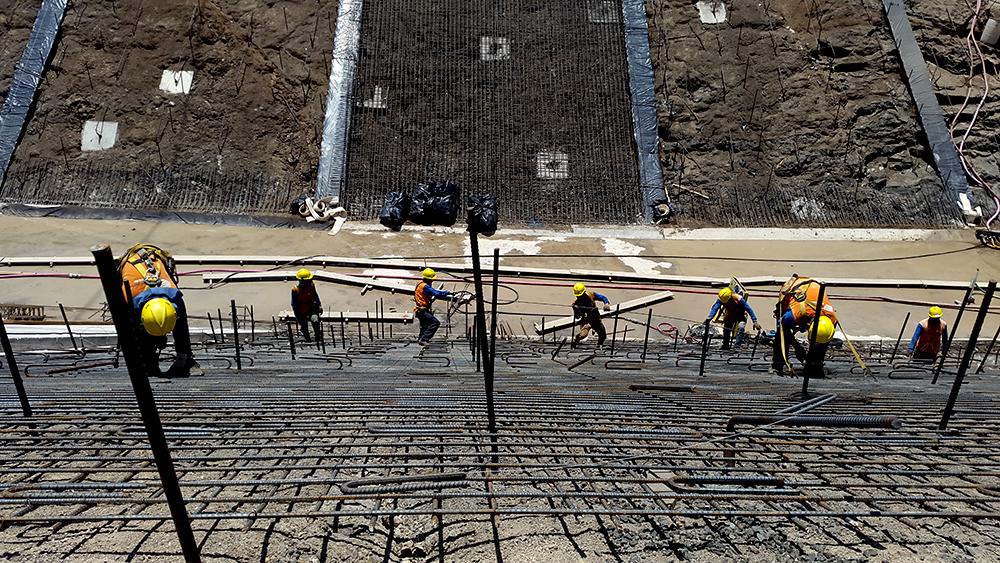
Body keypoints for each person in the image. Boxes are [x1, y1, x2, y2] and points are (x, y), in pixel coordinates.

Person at [117, 243, 200, 378]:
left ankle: (186, 360)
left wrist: (182, 358)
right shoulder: (128, 298)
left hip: (155, 268)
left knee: (181, 324)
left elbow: (182, 328)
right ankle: (147, 359)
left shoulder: (175, 297)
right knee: (138, 334)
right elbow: (128, 331)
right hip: (135, 284)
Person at [772, 275, 838, 377]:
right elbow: (782, 325)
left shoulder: (832, 318)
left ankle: (814, 365)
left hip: (814, 289)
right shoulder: (795, 314)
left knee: (821, 342)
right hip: (793, 288)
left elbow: (824, 338)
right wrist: (797, 347)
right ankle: (778, 365)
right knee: (781, 336)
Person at [415, 268, 451, 345]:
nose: (432, 281)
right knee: (435, 323)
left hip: (420, 310)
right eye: (432, 279)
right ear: (428, 279)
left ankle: (420, 339)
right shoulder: (425, 287)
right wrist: (446, 293)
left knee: (425, 325)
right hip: (422, 311)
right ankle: (424, 339)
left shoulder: (420, 284)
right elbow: (435, 293)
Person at [572, 282, 611, 347]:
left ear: (584, 292)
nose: (578, 297)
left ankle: (599, 346)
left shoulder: (591, 295)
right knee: (583, 335)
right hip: (586, 321)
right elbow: (577, 317)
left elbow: (602, 297)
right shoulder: (576, 304)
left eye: (579, 295)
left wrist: (606, 303)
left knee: (603, 335)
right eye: (577, 296)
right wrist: (576, 310)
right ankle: (575, 341)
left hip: (595, 319)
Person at [291, 269, 323, 342]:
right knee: (304, 326)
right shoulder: (295, 290)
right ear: (302, 281)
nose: (310, 281)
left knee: (315, 320)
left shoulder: (311, 285)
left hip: (311, 307)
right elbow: (294, 304)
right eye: (308, 280)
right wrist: (299, 317)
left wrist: (319, 305)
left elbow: (315, 295)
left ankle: (317, 337)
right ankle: (308, 340)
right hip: (300, 310)